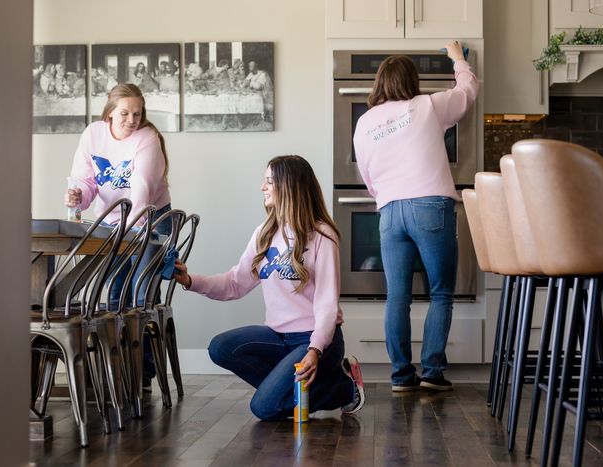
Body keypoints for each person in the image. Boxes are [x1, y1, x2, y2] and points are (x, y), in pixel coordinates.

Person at [172, 155, 365, 420]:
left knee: (264, 408)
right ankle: (297, 388)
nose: (262, 188)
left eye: (269, 182)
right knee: (221, 347)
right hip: (278, 336)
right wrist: (190, 280)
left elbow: (327, 304)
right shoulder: (264, 232)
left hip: (317, 339)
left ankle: (343, 388)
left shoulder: (322, 236)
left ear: (289, 187)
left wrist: (315, 349)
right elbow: (234, 283)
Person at [352, 41, 479, 392]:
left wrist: (389, 196)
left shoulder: (364, 122)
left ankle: (401, 377)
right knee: (440, 293)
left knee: (397, 297)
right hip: (430, 207)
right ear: (412, 81)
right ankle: (433, 375)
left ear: (379, 82)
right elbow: (467, 91)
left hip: (390, 212)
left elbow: (367, 175)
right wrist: (457, 59)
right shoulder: (427, 105)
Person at [64, 83, 172, 391]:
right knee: (114, 296)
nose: (131, 120)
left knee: (141, 297)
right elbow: (85, 182)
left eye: (137, 114)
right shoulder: (93, 135)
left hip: (150, 220)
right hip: (113, 223)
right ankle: (119, 370)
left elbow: (141, 194)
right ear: (110, 113)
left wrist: (129, 235)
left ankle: (143, 374)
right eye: (124, 113)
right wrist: (77, 195)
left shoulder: (148, 139)